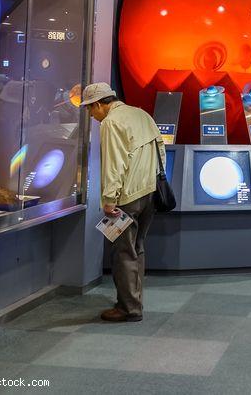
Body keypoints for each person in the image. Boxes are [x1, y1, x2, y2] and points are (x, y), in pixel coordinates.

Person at [81, 82, 165, 323]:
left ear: (99, 104)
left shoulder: (111, 122)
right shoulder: (141, 114)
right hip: (150, 191)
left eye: (90, 109)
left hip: (127, 197)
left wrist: (108, 200)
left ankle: (128, 308)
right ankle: (135, 300)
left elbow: (114, 165)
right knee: (137, 248)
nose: (91, 115)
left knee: (122, 252)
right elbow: (161, 149)